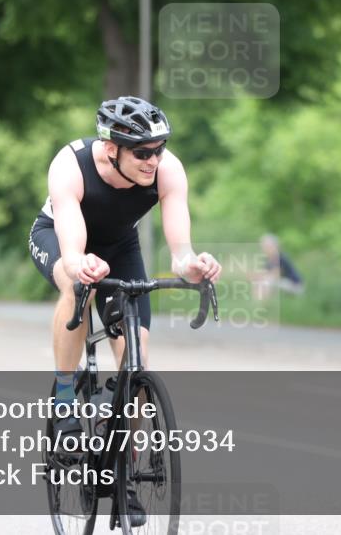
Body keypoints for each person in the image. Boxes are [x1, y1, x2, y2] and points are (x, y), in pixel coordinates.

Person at [28, 96, 221, 525]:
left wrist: (194, 265)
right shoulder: (70, 164)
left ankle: (126, 476)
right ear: (111, 148)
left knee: (136, 363)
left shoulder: (167, 171)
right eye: (142, 152)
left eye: (159, 149)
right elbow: (73, 246)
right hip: (61, 239)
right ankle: (64, 401)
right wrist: (80, 265)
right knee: (76, 283)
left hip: (120, 247)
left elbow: (180, 252)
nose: (153, 160)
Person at [250, 234, 304, 300]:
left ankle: (263, 305)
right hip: (283, 284)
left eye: (267, 246)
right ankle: (258, 304)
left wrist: (260, 277)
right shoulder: (269, 259)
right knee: (260, 282)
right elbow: (265, 274)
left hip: (295, 286)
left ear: (275, 246)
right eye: (264, 247)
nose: (265, 249)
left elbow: (275, 275)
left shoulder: (280, 257)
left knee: (266, 282)